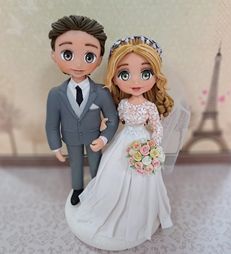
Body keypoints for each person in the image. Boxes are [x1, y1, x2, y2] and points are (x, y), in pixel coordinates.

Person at [65, 35, 174, 250]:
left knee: (141, 180)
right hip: (123, 140)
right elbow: (116, 121)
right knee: (113, 172)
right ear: (115, 77)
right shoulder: (122, 103)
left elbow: (157, 127)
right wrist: (103, 128)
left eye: (145, 73)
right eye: (125, 73)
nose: (136, 81)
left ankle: (136, 213)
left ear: (155, 76)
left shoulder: (150, 107)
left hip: (143, 140)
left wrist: (154, 145)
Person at [45, 15, 119, 205]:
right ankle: (77, 189)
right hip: (70, 138)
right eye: (67, 54)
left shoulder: (101, 92)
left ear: (99, 58)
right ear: (54, 54)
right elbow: (52, 124)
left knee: (96, 164)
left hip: (94, 138)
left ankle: (97, 188)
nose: (78, 65)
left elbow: (112, 118)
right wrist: (55, 146)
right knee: (75, 164)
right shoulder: (56, 94)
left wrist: (103, 138)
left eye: (88, 56)